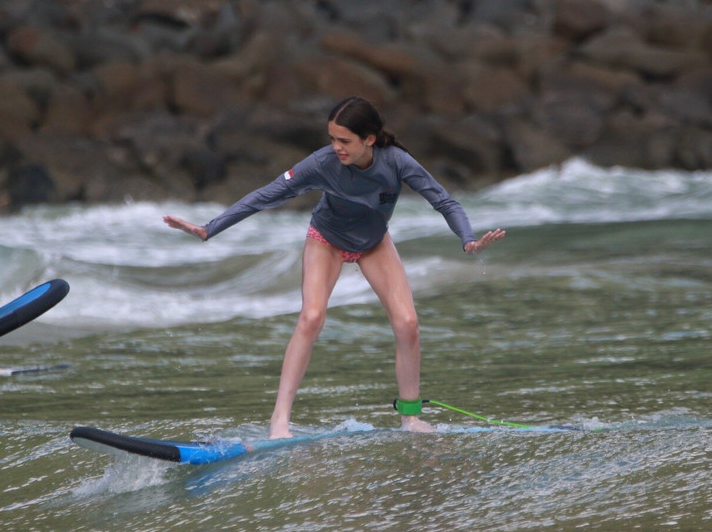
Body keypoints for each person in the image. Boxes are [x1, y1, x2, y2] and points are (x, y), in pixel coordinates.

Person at [163, 96, 505, 439]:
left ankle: (411, 418)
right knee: (311, 317)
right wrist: (209, 229)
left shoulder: (397, 162)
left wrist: (467, 239)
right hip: (326, 239)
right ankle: (279, 422)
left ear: (369, 139)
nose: (336, 147)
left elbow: (443, 200)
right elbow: (266, 195)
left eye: (345, 141)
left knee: (408, 324)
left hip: (374, 243)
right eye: (332, 139)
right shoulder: (321, 164)